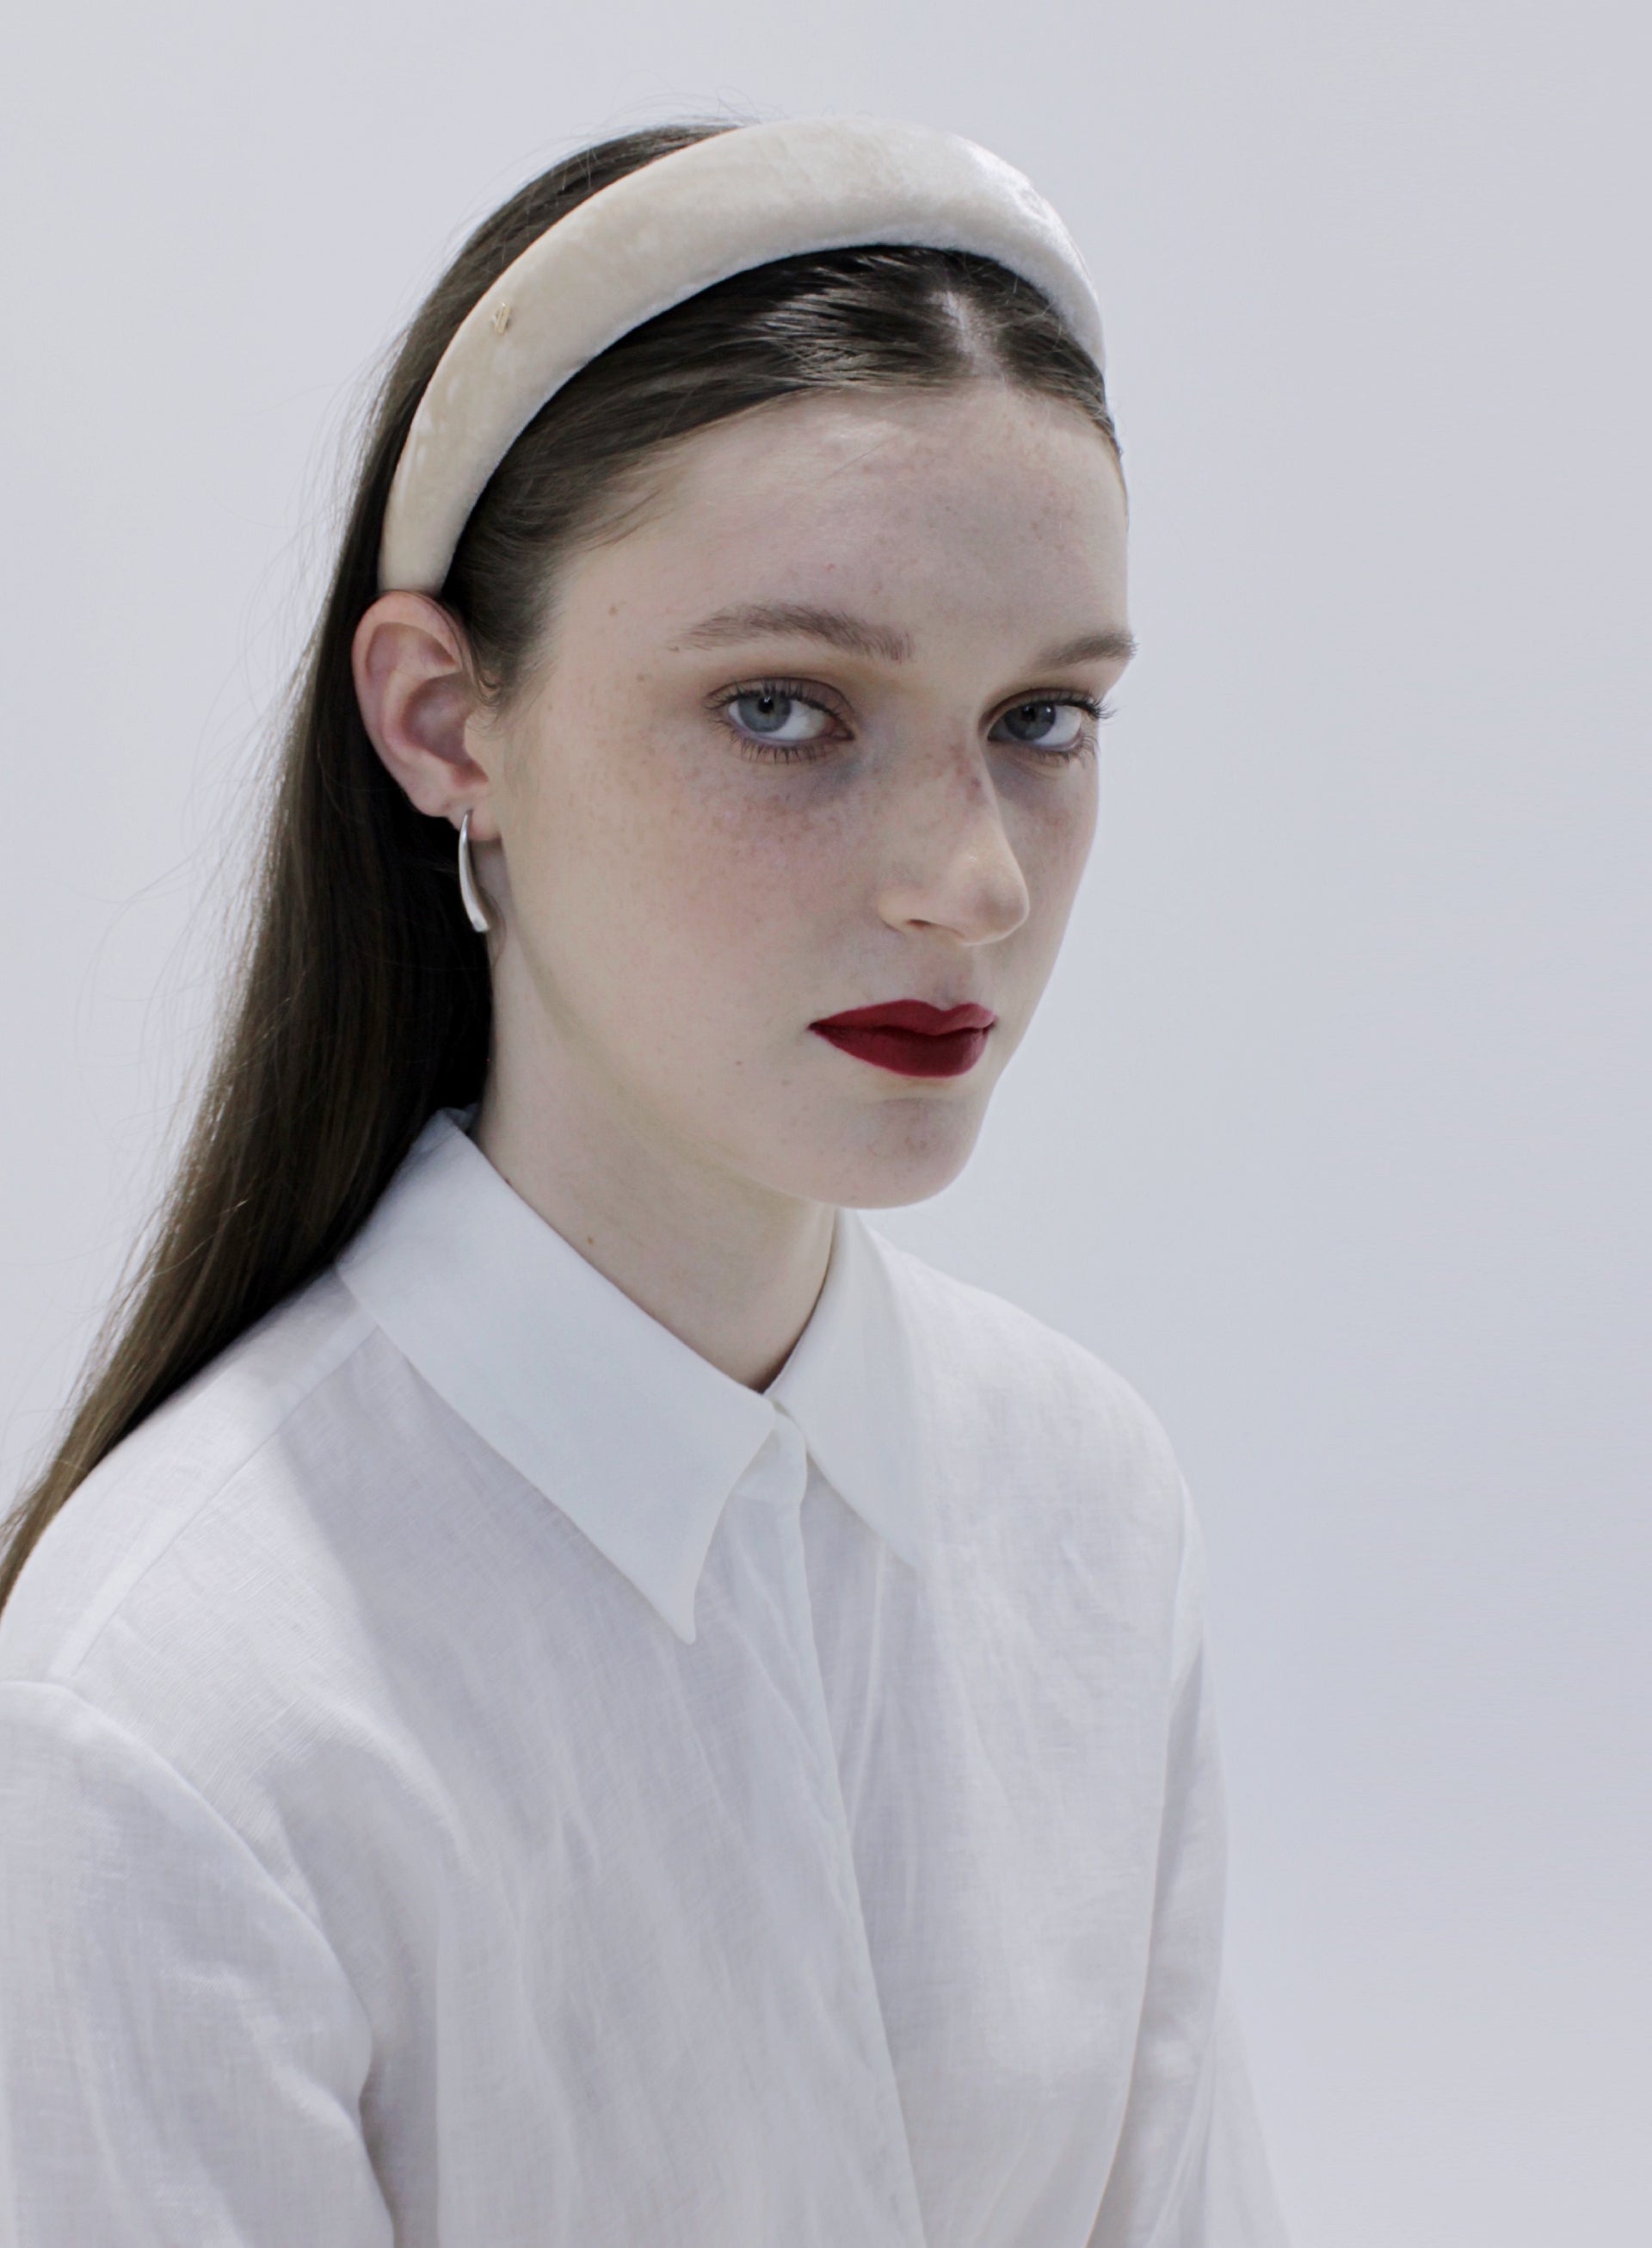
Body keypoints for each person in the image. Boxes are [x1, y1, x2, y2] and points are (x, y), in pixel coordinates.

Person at [0, 116, 1288, 2246]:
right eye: (785, 707)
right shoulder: (160, 1728)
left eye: (1045, 719)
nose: (968, 883)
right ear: (444, 723)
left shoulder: (1086, 1509)